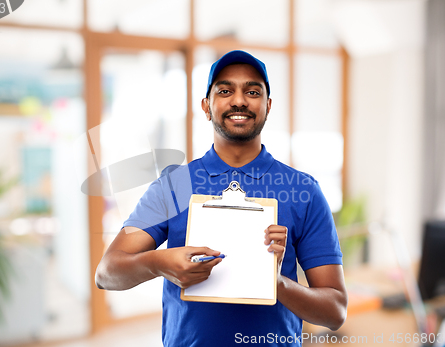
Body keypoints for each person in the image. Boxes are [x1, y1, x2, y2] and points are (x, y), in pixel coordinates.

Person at [95, 50, 348, 346]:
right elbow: (107, 273)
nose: (239, 100)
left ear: (267, 106)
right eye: (225, 90)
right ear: (206, 106)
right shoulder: (174, 186)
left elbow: (335, 312)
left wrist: (275, 283)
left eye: (252, 91)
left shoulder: (303, 190)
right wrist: (158, 262)